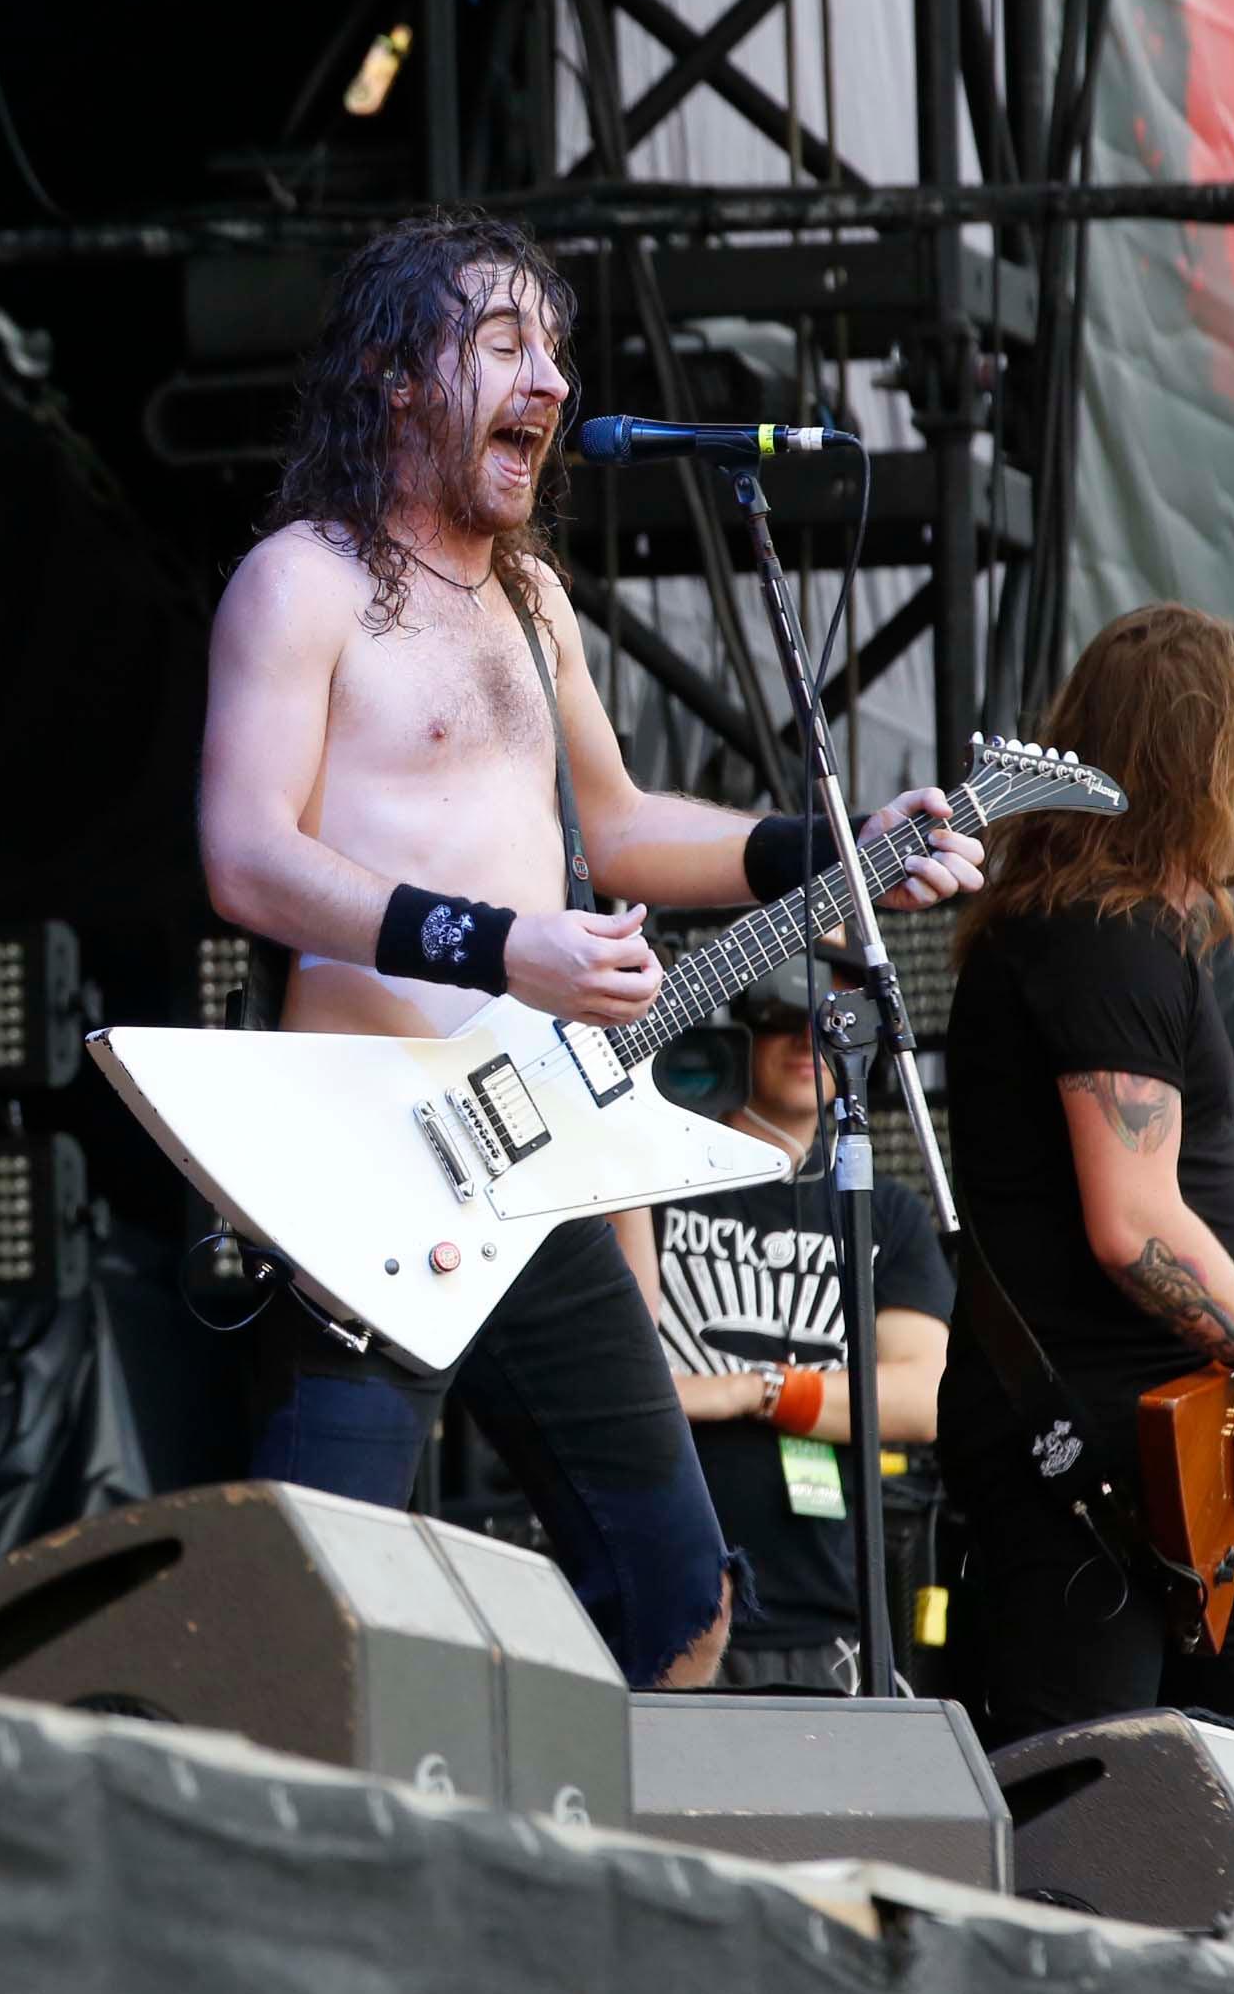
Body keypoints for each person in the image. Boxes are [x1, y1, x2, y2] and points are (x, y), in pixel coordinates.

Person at [195, 206, 985, 1689]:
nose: (548, 381)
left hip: (534, 1170)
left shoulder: (532, 604)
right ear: (396, 379)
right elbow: (245, 856)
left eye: (553, 347)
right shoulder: (301, 580)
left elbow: (616, 835)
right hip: (366, 1163)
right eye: (501, 344)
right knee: (321, 1616)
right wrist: (502, 949)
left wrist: (836, 848)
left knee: (679, 1595)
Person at [939, 602, 1234, 1754]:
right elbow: (1131, 1225)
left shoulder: (1091, 928)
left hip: (1159, 1459)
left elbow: (1087, 1167)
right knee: (1085, 1823)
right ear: (1198, 759)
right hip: (1089, 1458)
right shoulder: (1104, 938)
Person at [613, 949, 954, 1695]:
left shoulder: (882, 1209)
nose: (807, 1039)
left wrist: (751, 1391)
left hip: (822, 1608)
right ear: (739, 1033)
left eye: (835, 1020)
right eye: (780, 1017)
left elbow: (924, 1397)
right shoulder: (658, 1173)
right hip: (666, 1589)